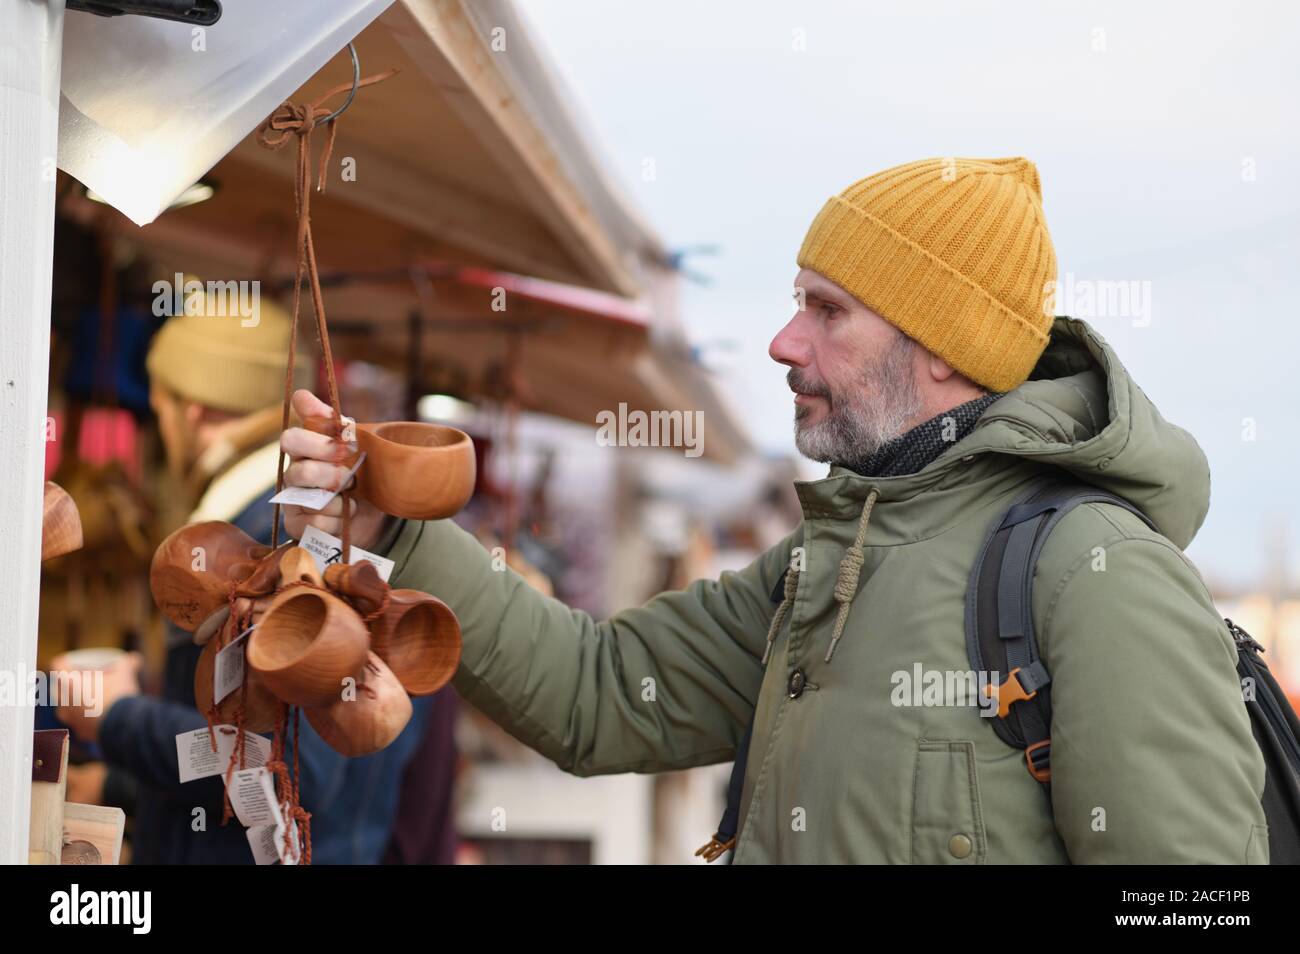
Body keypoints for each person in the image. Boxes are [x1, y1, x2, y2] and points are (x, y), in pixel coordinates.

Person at [276, 157, 1267, 864]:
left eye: (826, 310)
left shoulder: (1097, 574)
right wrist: (394, 525)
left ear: (941, 348)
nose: (782, 343)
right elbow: (599, 689)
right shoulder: (829, 563)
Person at [55, 289, 444, 864]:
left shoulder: (272, 545)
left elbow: (287, 770)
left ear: (188, 411)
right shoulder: (312, 523)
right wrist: (119, 782)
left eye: (160, 409)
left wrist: (119, 717)